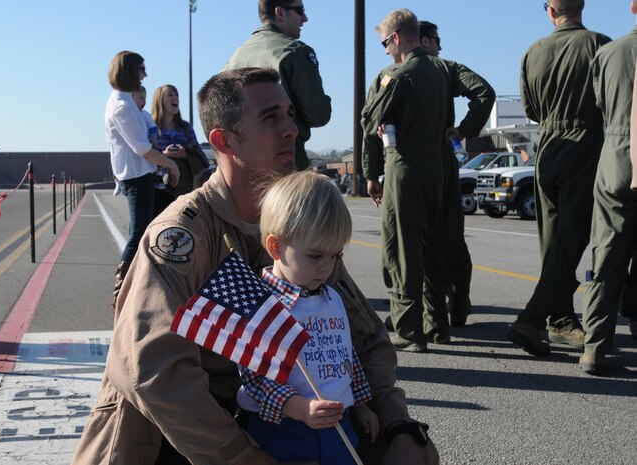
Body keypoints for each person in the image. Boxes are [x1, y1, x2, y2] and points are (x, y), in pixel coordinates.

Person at [72, 68, 439, 465]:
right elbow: (154, 371)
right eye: (270, 117)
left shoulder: (295, 224)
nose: (291, 130)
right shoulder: (183, 233)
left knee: (414, 454)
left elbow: (364, 338)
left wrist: (397, 424)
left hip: (276, 417)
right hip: (180, 434)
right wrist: (244, 458)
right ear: (222, 140)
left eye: (289, 115)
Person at [238, 171, 380, 464]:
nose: (326, 267)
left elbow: (346, 356)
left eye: (335, 256)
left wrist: (362, 405)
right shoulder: (262, 304)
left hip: (339, 425)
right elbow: (254, 377)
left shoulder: (332, 298)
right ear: (276, 247)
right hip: (284, 429)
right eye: (316, 256)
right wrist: (298, 407)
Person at [506, 0, 611, 356]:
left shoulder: (532, 52)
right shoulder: (599, 44)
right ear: (582, 7)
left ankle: (560, 318)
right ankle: (533, 318)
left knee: (553, 242)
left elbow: (531, 109)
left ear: (549, 11)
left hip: (548, 147)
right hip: (586, 144)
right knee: (571, 241)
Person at [361, 9, 449, 353]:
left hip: (405, 167)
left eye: (385, 42)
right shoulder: (438, 72)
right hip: (434, 167)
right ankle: (437, 323)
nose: (385, 51)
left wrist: (372, 172)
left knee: (401, 248)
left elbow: (370, 118)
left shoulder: (398, 75)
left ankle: (409, 330)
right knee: (431, 246)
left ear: (397, 37)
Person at [418, 20, 496, 327]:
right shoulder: (447, 69)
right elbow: (484, 92)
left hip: (412, 166)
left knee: (420, 242)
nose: (440, 46)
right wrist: (463, 130)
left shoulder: (395, 75)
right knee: (452, 237)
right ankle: (459, 302)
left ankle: (428, 315)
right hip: (443, 161)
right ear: (425, 41)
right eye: (437, 40)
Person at [579, 0, 637, 375]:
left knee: (607, 251)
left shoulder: (609, 52)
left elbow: (600, 103)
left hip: (616, 154)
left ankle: (595, 346)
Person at [105, 51, 180, 310]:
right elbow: (142, 148)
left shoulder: (125, 102)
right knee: (139, 234)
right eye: (141, 69)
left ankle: (135, 286)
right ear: (129, 71)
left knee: (143, 230)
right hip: (136, 176)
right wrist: (170, 163)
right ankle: (121, 293)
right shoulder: (122, 106)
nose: (145, 74)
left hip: (141, 174)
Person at [224, 0, 331, 171]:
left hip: (242, 167)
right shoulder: (294, 51)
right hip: (285, 161)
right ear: (280, 12)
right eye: (299, 10)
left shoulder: (235, 58)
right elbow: (318, 115)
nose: (305, 18)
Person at [150, 84, 207, 217]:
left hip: (182, 188)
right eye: (170, 94)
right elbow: (144, 156)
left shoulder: (186, 128)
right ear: (159, 100)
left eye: (176, 95)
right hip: (156, 189)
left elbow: (200, 155)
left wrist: (185, 153)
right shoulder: (151, 127)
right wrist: (165, 155)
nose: (175, 97)